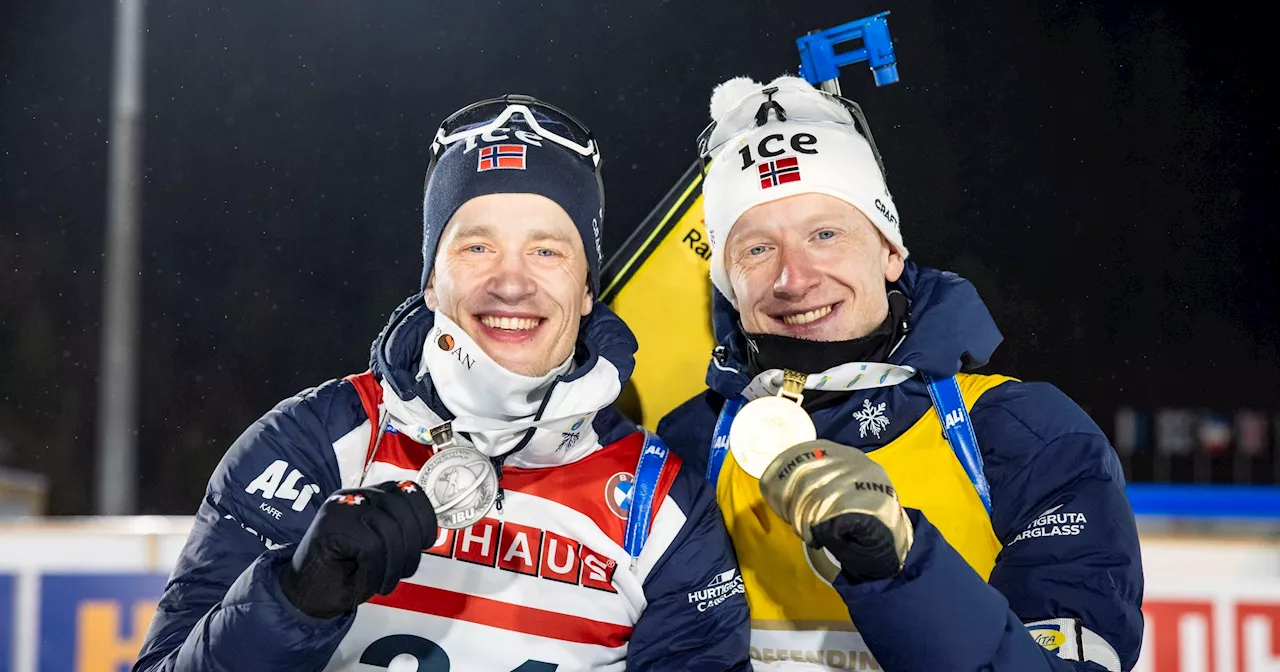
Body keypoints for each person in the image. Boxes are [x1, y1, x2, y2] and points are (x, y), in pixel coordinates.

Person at [134, 95, 750, 671]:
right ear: (430, 280)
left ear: (587, 289)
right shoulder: (315, 442)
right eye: (477, 247)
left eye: (546, 252)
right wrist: (294, 599)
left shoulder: (662, 504)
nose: (511, 283)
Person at [657, 75, 1144, 671]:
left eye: (825, 234)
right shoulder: (687, 443)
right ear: (730, 286)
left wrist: (901, 567)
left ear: (890, 250)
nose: (794, 278)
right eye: (757, 249)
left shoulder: (1026, 435)